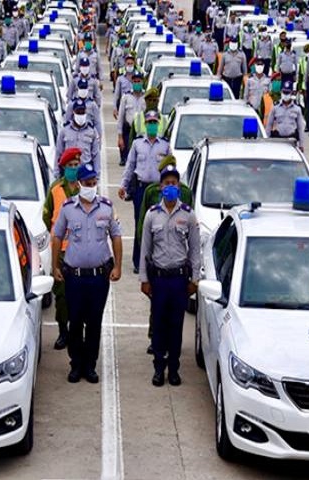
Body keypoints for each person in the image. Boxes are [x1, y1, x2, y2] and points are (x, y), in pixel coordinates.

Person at [51, 163, 122, 384]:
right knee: (75, 321)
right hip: (74, 276)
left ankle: (90, 366)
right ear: (79, 184)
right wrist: (55, 266)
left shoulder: (106, 208)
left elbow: (116, 237)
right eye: (88, 183)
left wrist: (118, 266)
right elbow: (57, 237)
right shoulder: (68, 208)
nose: (92, 187)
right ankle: (76, 364)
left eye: (94, 183)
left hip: (99, 276)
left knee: (93, 322)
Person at [139, 164, 201, 387]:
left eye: (174, 183)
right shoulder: (151, 215)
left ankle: (174, 368)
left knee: (176, 325)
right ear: (160, 186)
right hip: (159, 279)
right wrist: (144, 279)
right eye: (166, 183)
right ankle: (158, 367)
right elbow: (145, 249)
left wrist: (195, 279)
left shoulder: (188, 215)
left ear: (179, 186)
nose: (170, 187)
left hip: (179, 279)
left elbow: (195, 249)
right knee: (159, 325)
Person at [120, 110, 171, 271]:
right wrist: (123, 185)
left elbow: (171, 169)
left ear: (158, 124)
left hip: (158, 190)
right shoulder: (137, 144)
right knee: (140, 225)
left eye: (154, 122)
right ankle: (138, 262)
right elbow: (130, 166)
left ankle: (156, 260)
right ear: (145, 124)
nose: (152, 125)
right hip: (141, 190)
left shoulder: (165, 145)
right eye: (149, 123)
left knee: (159, 225)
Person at [42, 147, 82, 351]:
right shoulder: (55, 189)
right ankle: (62, 332)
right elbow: (47, 218)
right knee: (62, 295)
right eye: (70, 166)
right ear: (63, 167)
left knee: (79, 296)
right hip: (61, 252)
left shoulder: (85, 188)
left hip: (81, 252)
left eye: (76, 165)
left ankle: (76, 331)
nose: (74, 169)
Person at [56, 99, 101, 174]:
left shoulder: (92, 131)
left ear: (86, 112)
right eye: (78, 112)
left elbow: (96, 155)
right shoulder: (64, 131)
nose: (80, 114)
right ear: (73, 112)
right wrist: (57, 173)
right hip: (69, 170)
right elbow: (58, 153)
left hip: (85, 170)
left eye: (82, 112)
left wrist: (97, 176)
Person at [265, 80, 306, 151]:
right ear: (281, 92)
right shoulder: (275, 107)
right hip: (278, 140)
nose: (285, 95)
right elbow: (269, 125)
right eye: (284, 92)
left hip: (292, 141)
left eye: (287, 93)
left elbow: (300, 128)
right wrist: (266, 141)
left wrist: (301, 145)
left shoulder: (297, 109)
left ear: (291, 93)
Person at [117, 71, 146, 166]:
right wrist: (120, 137)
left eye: (139, 81)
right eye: (135, 81)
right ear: (132, 82)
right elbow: (120, 118)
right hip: (128, 132)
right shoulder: (126, 97)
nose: (137, 83)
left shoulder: (146, 97)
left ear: (142, 82)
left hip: (142, 133)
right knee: (128, 161)